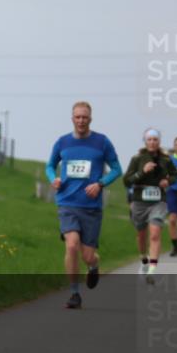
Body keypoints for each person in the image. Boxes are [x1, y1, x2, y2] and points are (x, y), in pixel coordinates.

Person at [44, 101, 122, 309]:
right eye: (77, 117)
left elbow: (116, 169)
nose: (81, 121)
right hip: (67, 202)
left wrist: (100, 183)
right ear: (72, 119)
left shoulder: (102, 142)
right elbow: (50, 166)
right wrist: (54, 178)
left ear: (90, 119)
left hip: (91, 207)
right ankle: (74, 294)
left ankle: (94, 266)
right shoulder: (62, 142)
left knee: (87, 255)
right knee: (71, 246)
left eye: (84, 117)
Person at [123, 129, 177, 283]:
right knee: (141, 235)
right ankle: (143, 259)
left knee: (154, 233)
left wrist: (168, 181)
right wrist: (142, 172)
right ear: (145, 141)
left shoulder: (166, 159)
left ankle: (152, 270)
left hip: (158, 201)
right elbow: (127, 181)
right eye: (149, 139)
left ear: (159, 141)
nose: (152, 142)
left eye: (155, 139)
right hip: (139, 201)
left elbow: (174, 175)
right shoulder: (137, 158)